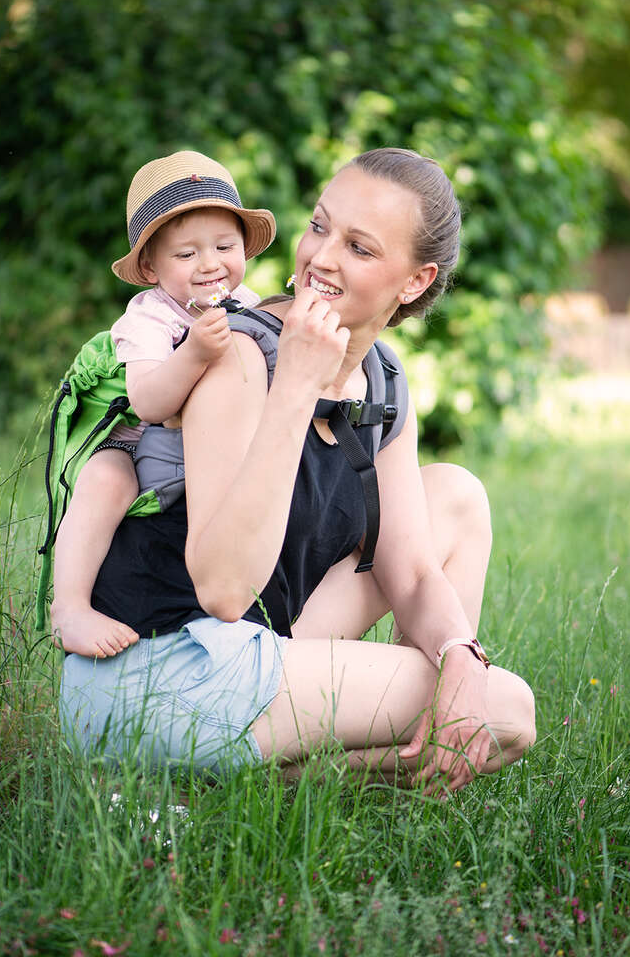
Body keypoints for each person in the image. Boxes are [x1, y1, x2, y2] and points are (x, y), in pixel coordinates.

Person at [59, 147, 536, 793]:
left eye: (359, 248)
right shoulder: (236, 351)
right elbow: (224, 590)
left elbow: (412, 569)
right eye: (319, 227)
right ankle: (290, 781)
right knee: (509, 711)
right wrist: (296, 385)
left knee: (453, 495)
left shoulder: (382, 380)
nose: (320, 258)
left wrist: (460, 657)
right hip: (157, 666)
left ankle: (281, 774)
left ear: (414, 282)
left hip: (255, 647)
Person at [51, 150, 276, 659]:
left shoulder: (249, 304)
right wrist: (194, 352)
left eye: (224, 245)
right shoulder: (150, 318)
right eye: (186, 254)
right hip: (127, 438)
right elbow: (148, 400)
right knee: (106, 483)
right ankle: (69, 607)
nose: (211, 264)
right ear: (150, 266)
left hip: (187, 446)